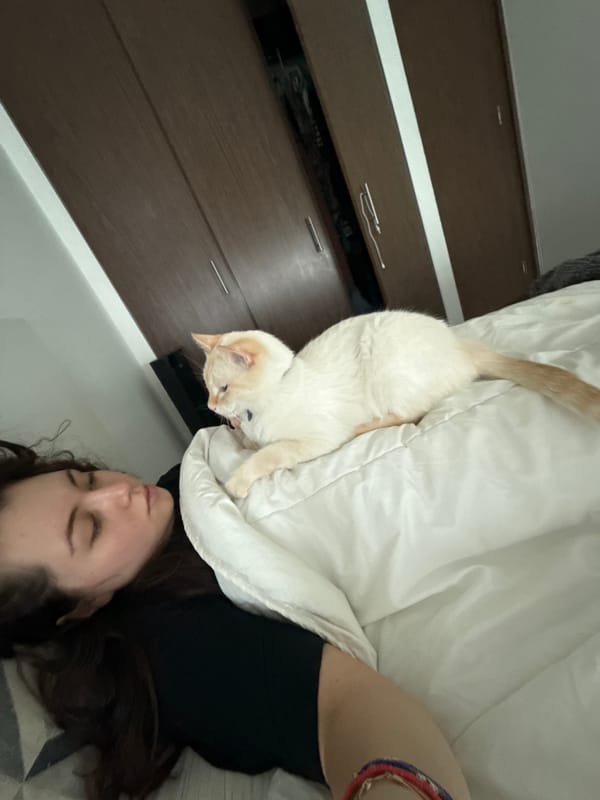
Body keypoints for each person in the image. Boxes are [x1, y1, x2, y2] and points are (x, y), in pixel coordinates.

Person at [0, 440, 471, 800]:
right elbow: (342, 709)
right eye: (91, 528)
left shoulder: (173, 488)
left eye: (85, 479)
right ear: (85, 605)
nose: (117, 491)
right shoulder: (177, 642)